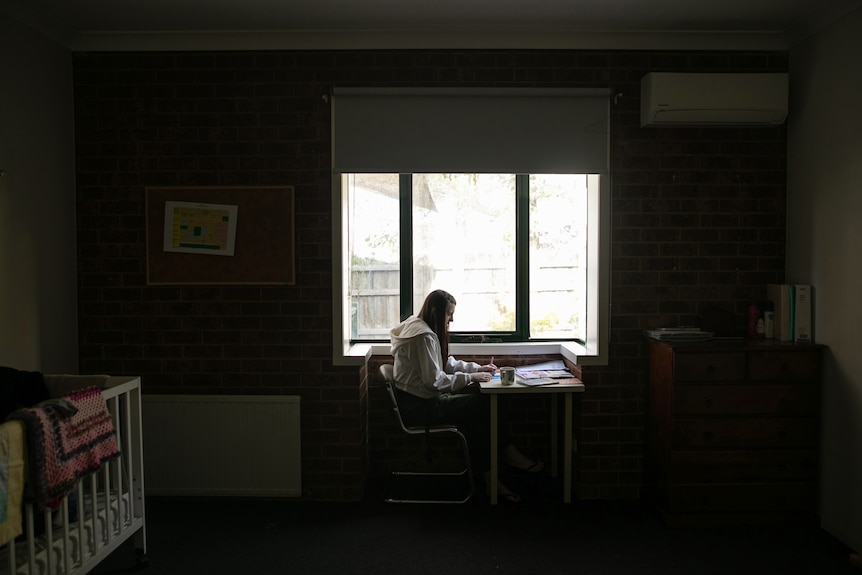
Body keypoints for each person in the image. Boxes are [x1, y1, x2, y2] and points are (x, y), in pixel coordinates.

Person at [389, 289, 544, 503]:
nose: (452, 319)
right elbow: (433, 382)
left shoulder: (418, 327)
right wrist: (471, 377)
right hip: (421, 407)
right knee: (483, 407)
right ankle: (505, 461)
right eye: (449, 314)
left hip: (420, 401)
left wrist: (478, 368)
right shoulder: (423, 336)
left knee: (479, 414)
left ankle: (494, 476)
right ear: (436, 311)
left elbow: (445, 363)